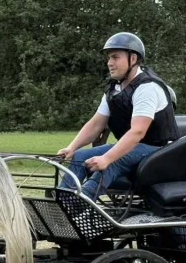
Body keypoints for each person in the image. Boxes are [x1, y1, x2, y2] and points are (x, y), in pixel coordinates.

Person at [57, 32, 179, 198]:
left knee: (113, 161)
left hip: (159, 149)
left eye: (115, 57)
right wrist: (71, 148)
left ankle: (80, 204)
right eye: (109, 58)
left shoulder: (147, 87)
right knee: (80, 156)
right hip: (133, 147)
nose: (109, 63)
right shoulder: (114, 89)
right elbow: (96, 124)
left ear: (133, 59)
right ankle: (62, 202)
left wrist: (106, 158)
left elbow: (138, 131)